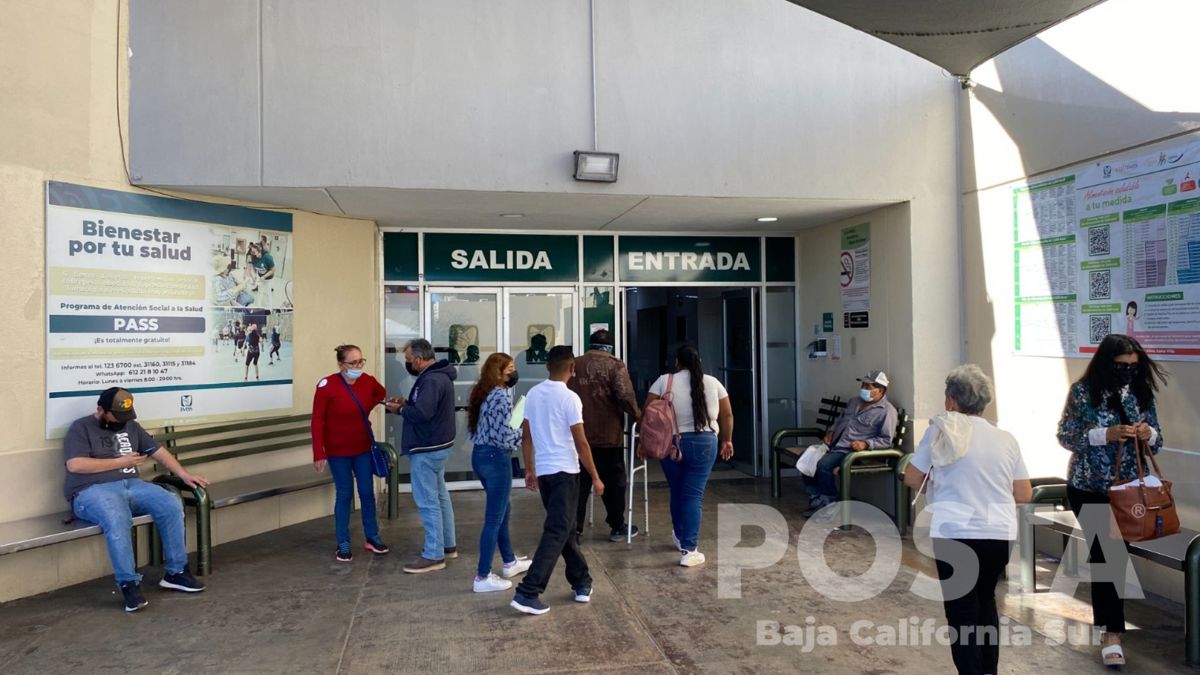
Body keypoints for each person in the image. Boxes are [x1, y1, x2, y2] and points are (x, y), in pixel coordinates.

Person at [903, 365, 1032, 675]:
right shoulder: (1006, 438)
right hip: (998, 535)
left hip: (955, 534)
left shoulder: (941, 430)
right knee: (986, 601)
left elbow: (911, 477)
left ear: (951, 401)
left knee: (962, 613)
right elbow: (1024, 493)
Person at [1056, 333, 1166, 668]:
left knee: (1114, 555)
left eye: (1133, 367)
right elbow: (1065, 434)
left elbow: (1158, 441)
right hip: (1089, 486)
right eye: (1122, 366)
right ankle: (1112, 633)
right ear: (1107, 363)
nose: (1128, 372)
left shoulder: (1140, 393)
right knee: (1109, 554)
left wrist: (1150, 435)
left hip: (1132, 488)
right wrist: (1105, 434)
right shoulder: (1083, 393)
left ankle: (1110, 628)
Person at [63, 387, 208, 611]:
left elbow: (158, 451)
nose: (121, 422)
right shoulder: (81, 427)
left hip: (132, 485)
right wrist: (121, 462)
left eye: (126, 417)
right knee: (117, 517)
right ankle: (128, 583)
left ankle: (176, 572)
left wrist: (184, 475)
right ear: (101, 410)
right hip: (90, 490)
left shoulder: (130, 425)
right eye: (116, 417)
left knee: (170, 503)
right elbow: (76, 464)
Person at [511, 346, 605, 615]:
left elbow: (525, 436)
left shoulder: (531, 395)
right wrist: (596, 477)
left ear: (546, 367)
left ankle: (581, 582)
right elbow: (581, 442)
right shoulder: (571, 398)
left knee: (563, 530)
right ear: (572, 369)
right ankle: (528, 591)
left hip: (545, 473)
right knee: (557, 531)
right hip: (566, 473)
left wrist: (529, 468)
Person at [644, 345, 734, 567]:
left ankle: (679, 535)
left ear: (677, 362)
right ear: (699, 362)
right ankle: (689, 549)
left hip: (671, 443)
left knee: (677, 491)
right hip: (705, 443)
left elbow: (647, 411)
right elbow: (727, 414)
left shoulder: (664, 381)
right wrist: (727, 440)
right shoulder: (713, 383)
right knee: (693, 495)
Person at [311, 344, 390, 562]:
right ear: (341, 364)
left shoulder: (367, 381)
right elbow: (317, 420)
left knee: (367, 493)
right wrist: (319, 452)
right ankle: (343, 541)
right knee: (345, 495)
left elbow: (380, 392)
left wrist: (366, 407)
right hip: (338, 452)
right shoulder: (327, 386)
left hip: (362, 448)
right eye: (352, 363)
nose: (358, 366)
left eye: (360, 361)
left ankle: (372, 536)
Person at [466, 353, 533, 592]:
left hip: (481, 456)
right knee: (494, 518)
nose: (513, 373)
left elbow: (478, 430)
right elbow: (505, 436)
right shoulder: (501, 397)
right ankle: (482, 577)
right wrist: (522, 432)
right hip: (497, 459)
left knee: (504, 509)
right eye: (510, 369)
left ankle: (509, 561)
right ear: (499, 372)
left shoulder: (482, 393)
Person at [568, 329, 642, 542]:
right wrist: (638, 415)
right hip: (609, 435)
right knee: (614, 482)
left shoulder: (575, 364)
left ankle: (575, 529)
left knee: (579, 484)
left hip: (579, 435)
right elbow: (625, 395)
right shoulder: (615, 365)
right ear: (611, 346)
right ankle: (617, 526)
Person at [392, 338, 459, 573]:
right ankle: (448, 545)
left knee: (428, 502)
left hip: (427, 449)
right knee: (440, 497)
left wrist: (400, 409)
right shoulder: (440, 376)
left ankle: (433, 554)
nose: (408, 364)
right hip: (439, 446)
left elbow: (422, 413)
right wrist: (407, 403)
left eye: (409, 360)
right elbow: (423, 407)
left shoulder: (431, 379)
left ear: (419, 359)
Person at [802, 370, 899, 522]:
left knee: (823, 465)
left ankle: (830, 504)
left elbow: (886, 440)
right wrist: (831, 431)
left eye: (868, 386)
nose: (864, 389)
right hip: (834, 445)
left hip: (851, 451)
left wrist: (866, 444)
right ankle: (816, 499)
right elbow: (840, 419)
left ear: (880, 390)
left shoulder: (887, 411)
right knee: (806, 461)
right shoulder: (854, 401)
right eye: (863, 385)